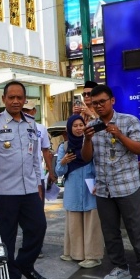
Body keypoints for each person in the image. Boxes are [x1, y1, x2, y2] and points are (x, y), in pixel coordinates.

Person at [81, 84, 140, 279]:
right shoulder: (93, 126)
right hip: (103, 188)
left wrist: (119, 134)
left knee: (136, 231)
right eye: (94, 103)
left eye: (102, 102)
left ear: (112, 101)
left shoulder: (128, 120)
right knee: (110, 232)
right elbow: (87, 157)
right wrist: (87, 139)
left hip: (126, 187)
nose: (98, 106)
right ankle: (121, 268)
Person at [0, 81, 47, 279]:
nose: (16, 101)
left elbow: (34, 157)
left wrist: (38, 184)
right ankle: (10, 278)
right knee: (6, 237)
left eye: (20, 97)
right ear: (4, 99)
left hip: (28, 190)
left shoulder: (30, 124)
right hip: (4, 192)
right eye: (11, 97)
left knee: (38, 228)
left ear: (25, 99)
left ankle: (24, 264)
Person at [55, 115, 104, 268]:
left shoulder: (91, 143)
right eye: (74, 126)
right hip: (73, 190)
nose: (78, 128)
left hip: (90, 188)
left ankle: (93, 256)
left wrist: (99, 182)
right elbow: (58, 172)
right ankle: (75, 253)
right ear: (69, 128)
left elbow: (99, 164)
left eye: (80, 125)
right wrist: (63, 162)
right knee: (74, 223)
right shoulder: (64, 147)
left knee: (92, 222)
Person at [22, 100, 56, 200]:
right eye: (23, 110)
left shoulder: (41, 128)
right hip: (19, 177)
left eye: (28, 110)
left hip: (37, 175)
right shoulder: (14, 128)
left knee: (38, 207)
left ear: (34, 111)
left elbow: (45, 151)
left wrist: (51, 171)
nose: (25, 113)